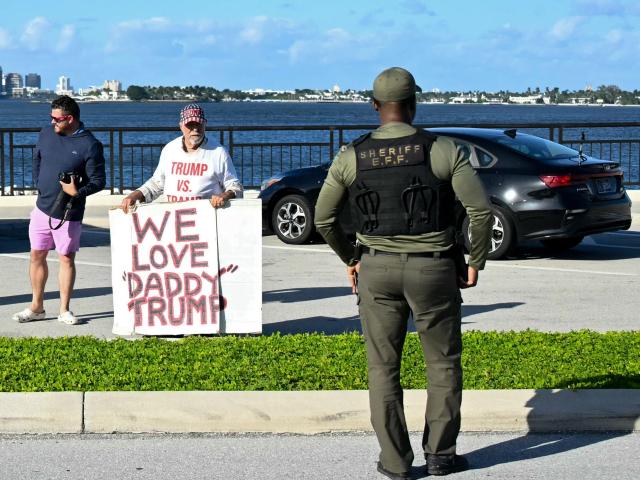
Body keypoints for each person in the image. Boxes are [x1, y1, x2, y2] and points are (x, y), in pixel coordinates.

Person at [315, 67, 492, 478]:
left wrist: (351, 258)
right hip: (434, 269)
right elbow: (479, 211)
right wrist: (475, 261)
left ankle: (395, 463)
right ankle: (441, 455)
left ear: (375, 106)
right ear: (414, 104)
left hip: (375, 268)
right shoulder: (444, 150)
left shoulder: (351, 155)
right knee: (443, 363)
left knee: (382, 368)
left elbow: (324, 218)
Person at [13, 95, 106, 325]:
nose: (52, 122)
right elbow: (38, 161)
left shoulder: (90, 144)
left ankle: (64, 310)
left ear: (70, 119)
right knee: (36, 255)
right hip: (41, 208)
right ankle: (37, 307)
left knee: (66, 258)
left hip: (68, 214)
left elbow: (99, 180)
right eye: (51, 118)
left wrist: (77, 193)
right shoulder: (46, 134)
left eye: (56, 119)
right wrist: (40, 185)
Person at [120, 103, 242, 212]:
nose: (195, 129)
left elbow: (235, 187)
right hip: (173, 220)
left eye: (198, 124)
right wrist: (134, 195)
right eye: (190, 125)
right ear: (181, 126)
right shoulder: (170, 149)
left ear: (205, 124)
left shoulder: (219, 152)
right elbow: (157, 184)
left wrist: (225, 196)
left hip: (206, 219)